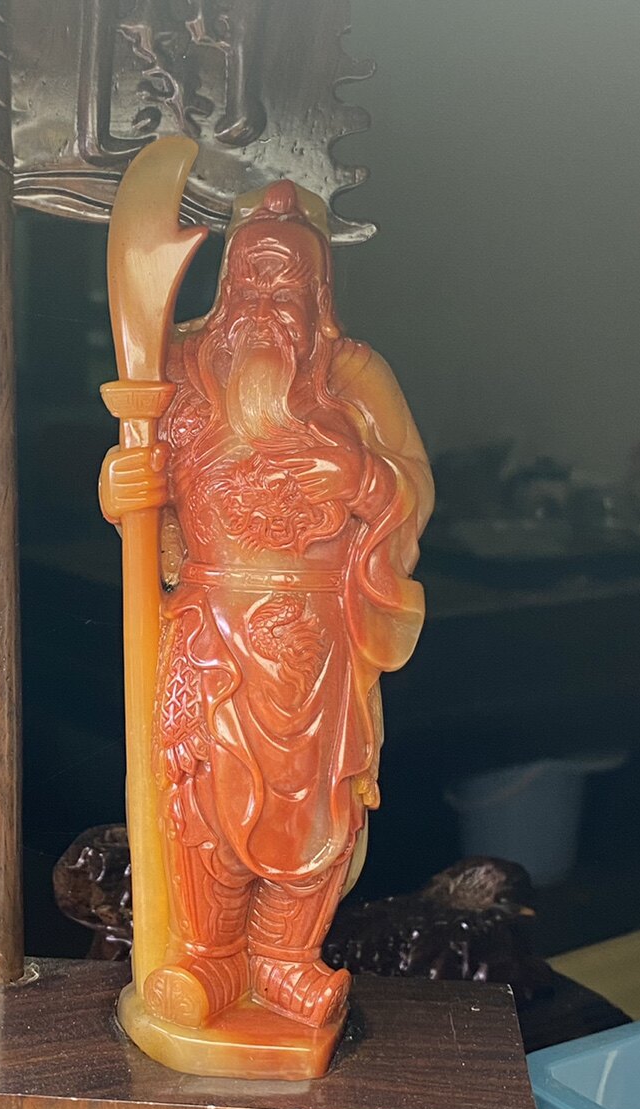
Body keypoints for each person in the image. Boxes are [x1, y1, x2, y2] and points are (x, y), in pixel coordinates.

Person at [100, 180, 433, 1030]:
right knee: (204, 796)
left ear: (320, 290)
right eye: (252, 275)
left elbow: (412, 491)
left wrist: (359, 476)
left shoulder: (353, 374)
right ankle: (210, 958)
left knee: (317, 805)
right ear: (226, 280)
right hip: (211, 621)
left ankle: (283, 960)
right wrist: (119, 489)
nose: (265, 298)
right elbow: (142, 490)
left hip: (319, 636)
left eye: (287, 282)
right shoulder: (177, 366)